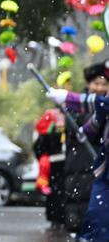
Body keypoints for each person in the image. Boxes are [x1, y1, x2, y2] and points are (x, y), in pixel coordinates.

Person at [47, 83, 108, 242]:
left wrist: (68, 98)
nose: (100, 87)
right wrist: (85, 131)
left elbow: (103, 104)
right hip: (103, 170)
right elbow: (101, 113)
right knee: (95, 221)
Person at [62, 61, 109, 233]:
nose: (100, 88)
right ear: (88, 84)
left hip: (99, 167)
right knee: (79, 213)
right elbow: (76, 130)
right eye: (96, 83)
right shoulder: (76, 106)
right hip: (79, 166)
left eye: (104, 84)